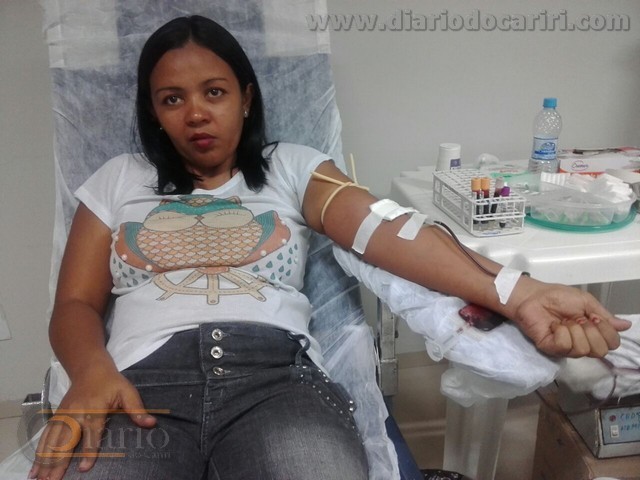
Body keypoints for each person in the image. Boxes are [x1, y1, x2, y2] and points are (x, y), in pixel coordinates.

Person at [30, 15, 630, 480]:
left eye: (213, 92)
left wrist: (518, 292)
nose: (195, 115)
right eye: (172, 99)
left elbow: (384, 228)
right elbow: (76, 304)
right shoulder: (118, 180)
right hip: (137, 385)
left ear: (245, 96)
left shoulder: (292, 168)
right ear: (153, 112)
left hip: (274, 379)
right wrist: (90, 372)